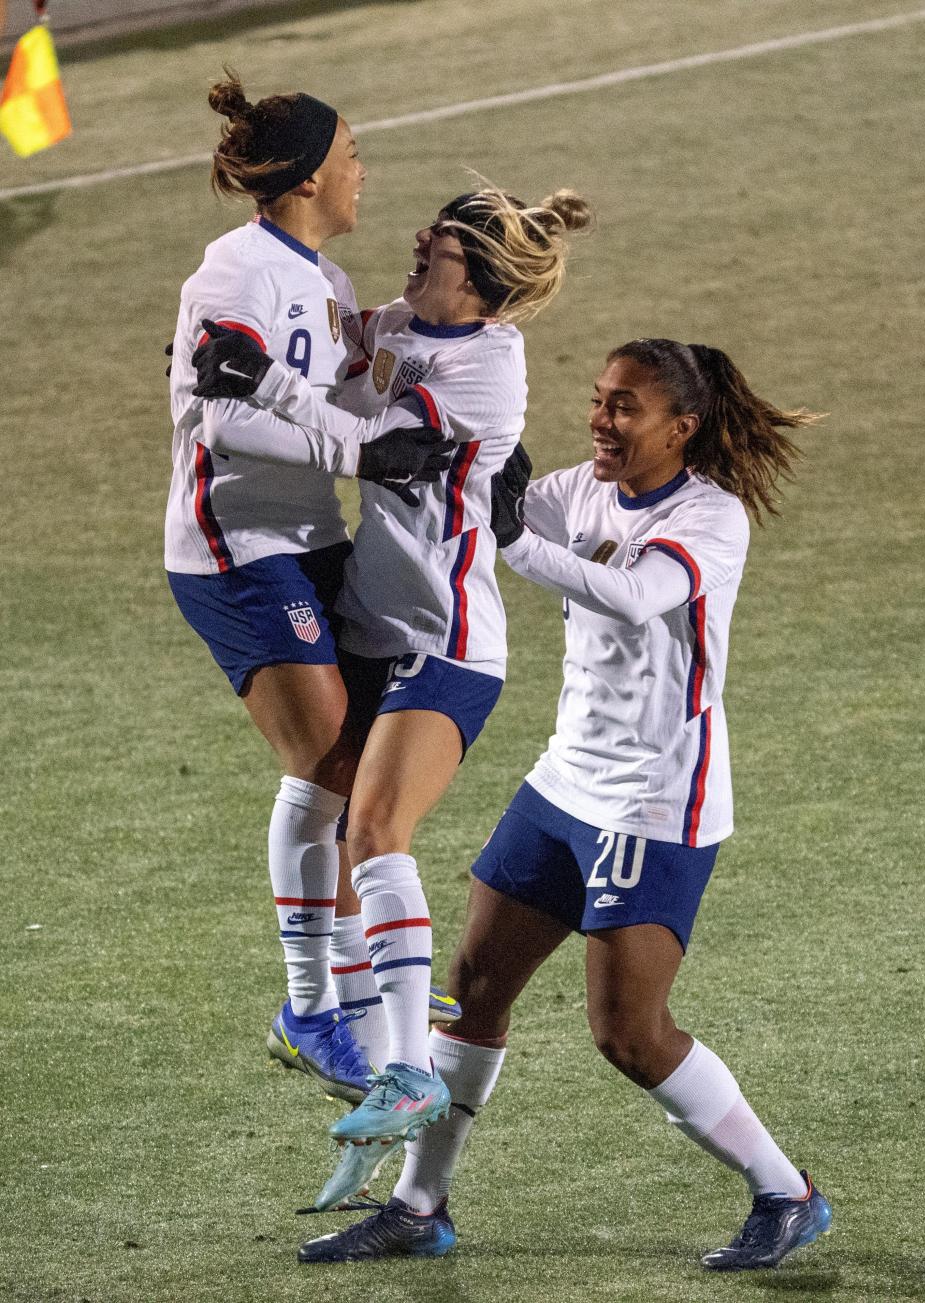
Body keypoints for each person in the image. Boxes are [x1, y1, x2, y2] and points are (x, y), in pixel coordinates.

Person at [296, 338, 833, 1271]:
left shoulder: (712, 519)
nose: (601, 420)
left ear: (683, 427)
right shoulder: (578, 491)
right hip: (562, 782)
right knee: (469, 993)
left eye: (626, 407)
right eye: (598, 399)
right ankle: (420, 1207)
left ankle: (786, 1191)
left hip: (652, 802)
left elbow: (632, 596)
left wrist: (512, 538)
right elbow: (478, 512)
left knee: (628, 1034)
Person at [191, 182, 594, 1206]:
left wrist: (268, 390)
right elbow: (330, 351)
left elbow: (370, 436)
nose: (420, 240)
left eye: (448, 244)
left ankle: (407, 1065)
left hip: (446, 646)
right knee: (320, 792)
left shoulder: (487, 368)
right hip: (373, 631)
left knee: (372, 833)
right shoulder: (407, 320)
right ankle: (322, 1009)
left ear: (488, 284)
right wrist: (227, 352)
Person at [164, 70, 456, 1106]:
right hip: (236, 545)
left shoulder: (325, 281)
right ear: (303, 178)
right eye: (350, 154)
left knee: (352, 747)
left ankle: (349, 978)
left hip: (309, 535)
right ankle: (312, 1005)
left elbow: (326, 392)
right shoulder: (231, 273)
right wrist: (362, 451)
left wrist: (384, 380)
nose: (361, 169)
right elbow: (227, 417)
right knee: (326, 748)